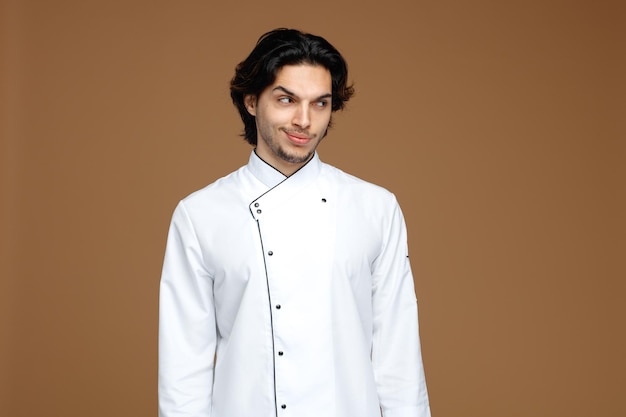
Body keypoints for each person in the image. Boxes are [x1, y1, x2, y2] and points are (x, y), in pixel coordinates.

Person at [158, 28, 431, 417]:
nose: (304, 120)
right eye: (286, 100)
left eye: (320, 104)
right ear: (252, 101)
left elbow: (398, 357)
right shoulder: (200, 215)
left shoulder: (375, 208)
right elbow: (184, 369)